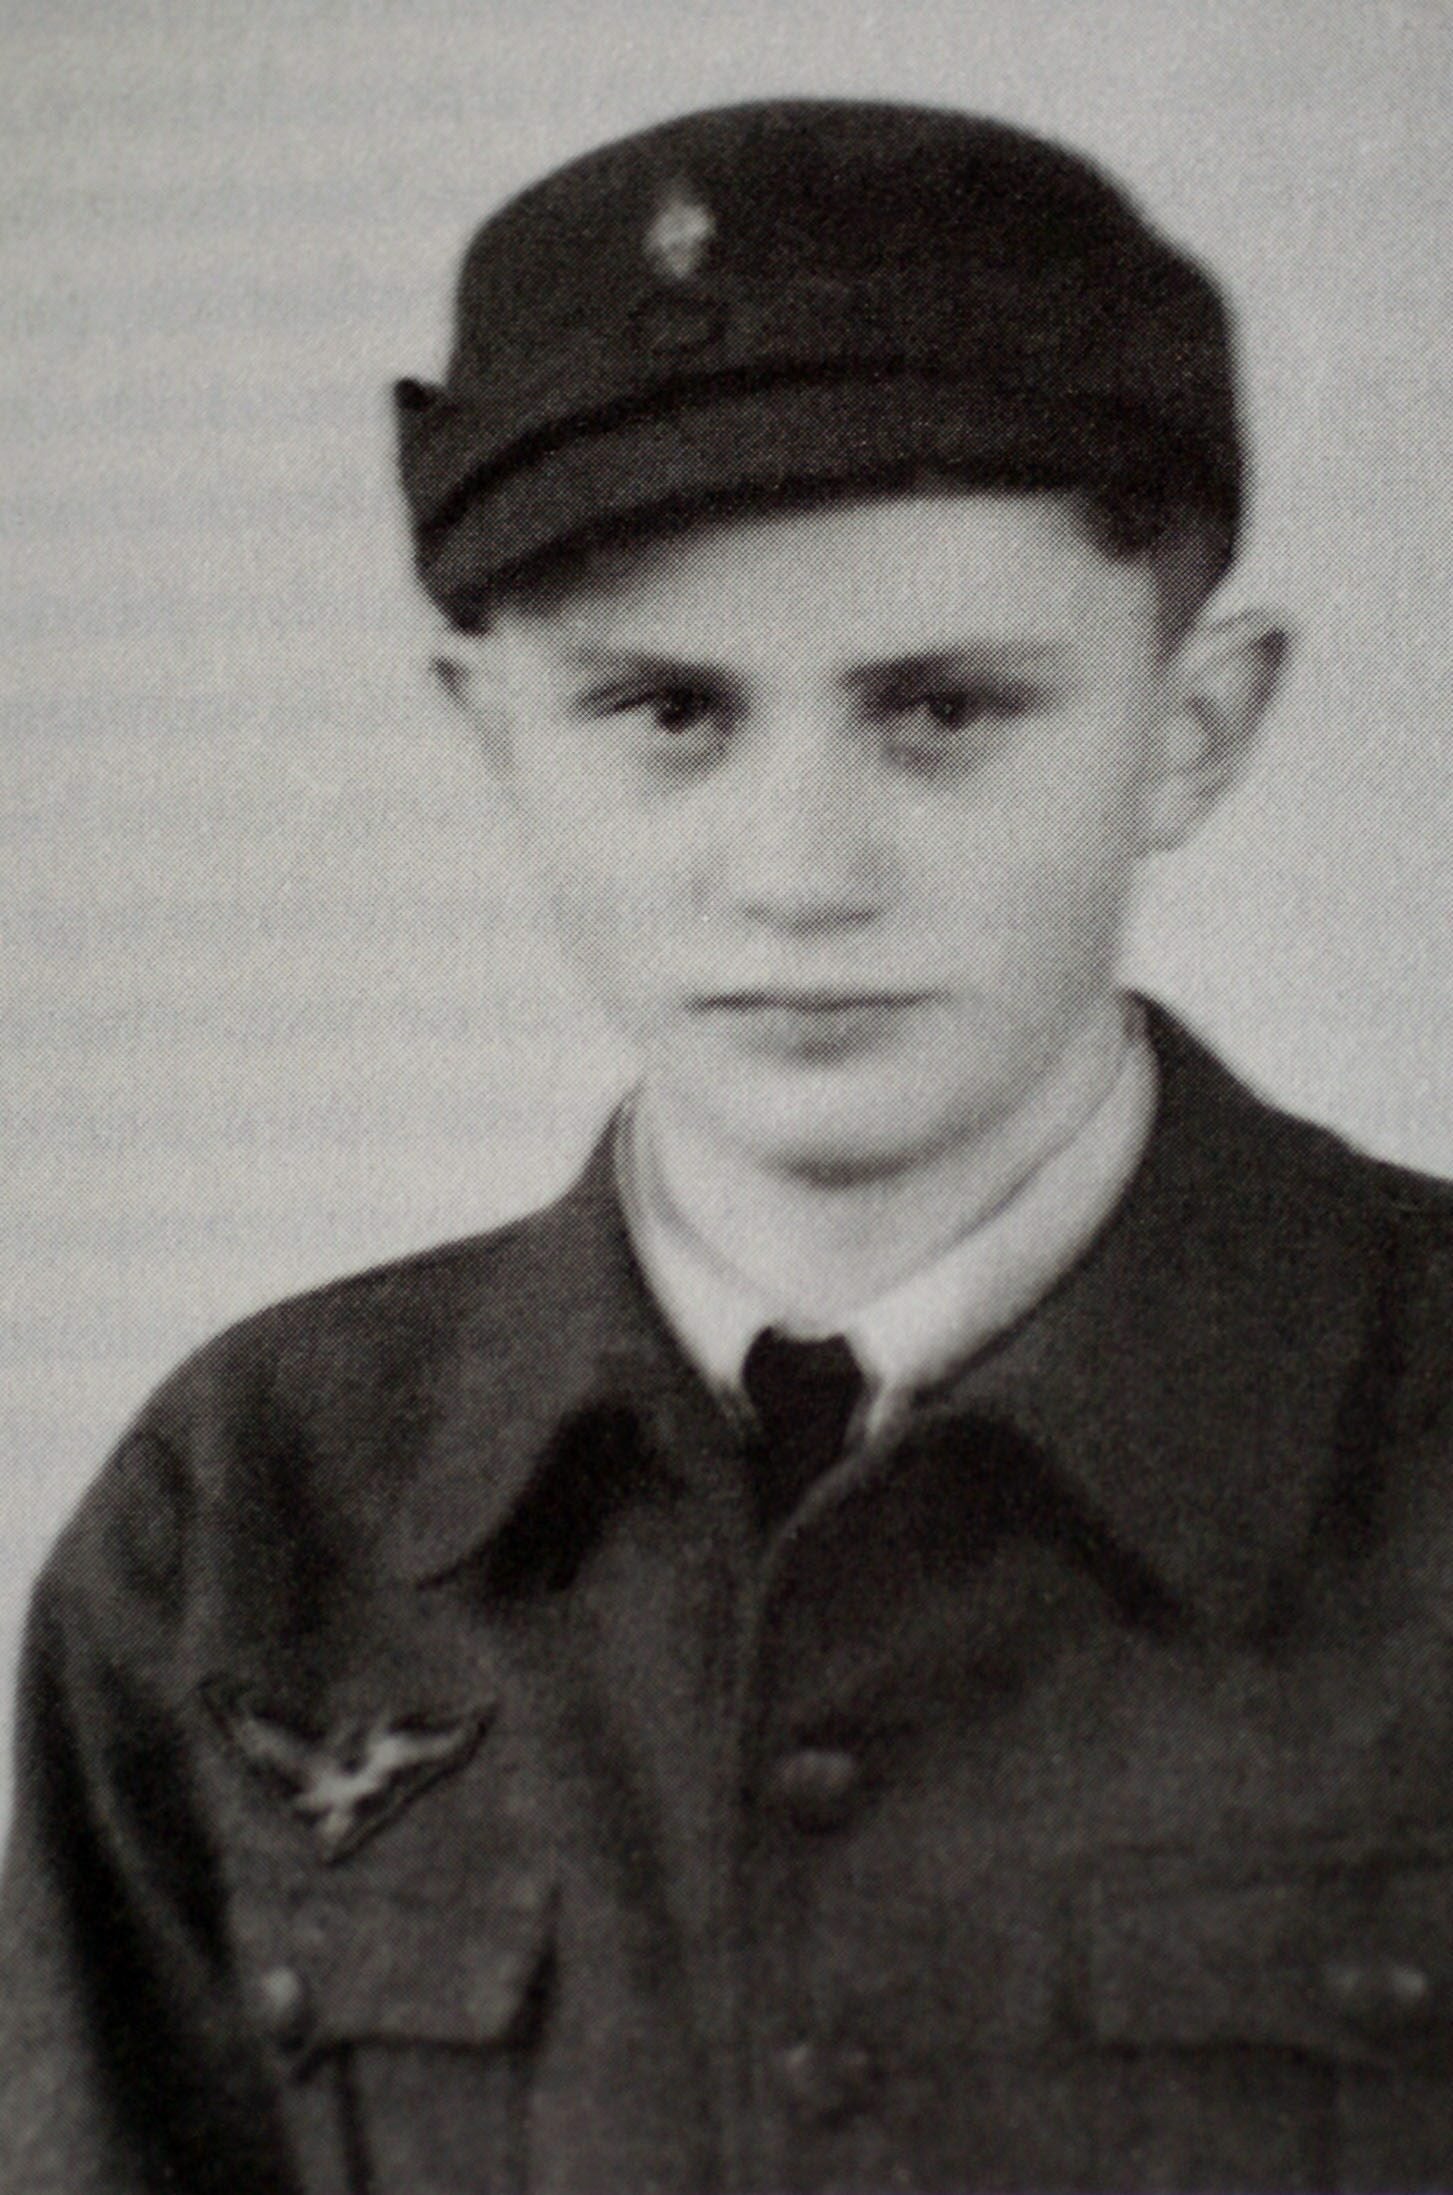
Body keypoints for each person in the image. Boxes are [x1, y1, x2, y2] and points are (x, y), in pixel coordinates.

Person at [2, 96, 1450, 2195]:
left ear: (1190, 729)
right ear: (492, 734)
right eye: (665, 712)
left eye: (943, 710)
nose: (799, 875)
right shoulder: (250, 1517)